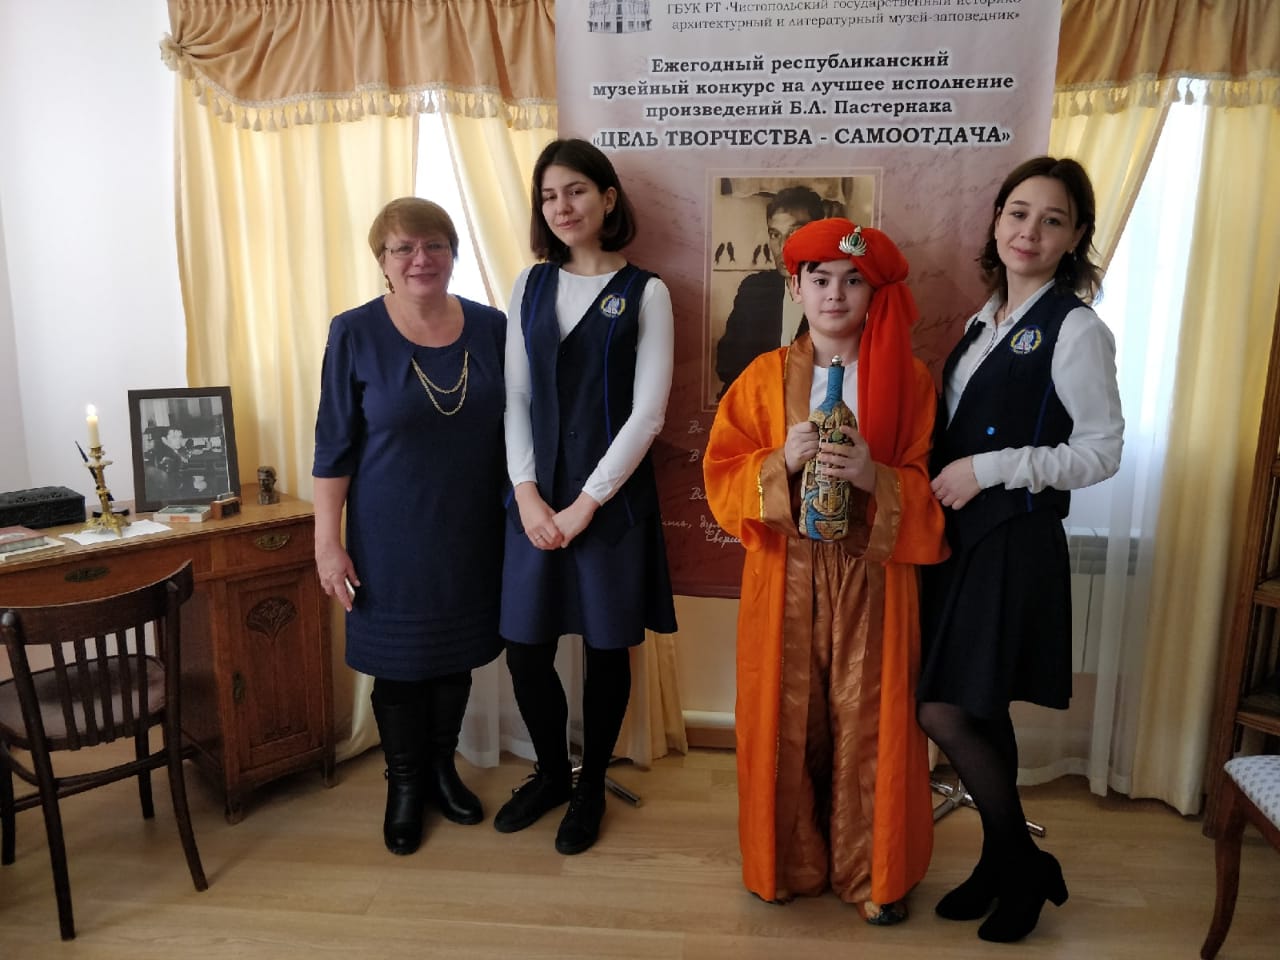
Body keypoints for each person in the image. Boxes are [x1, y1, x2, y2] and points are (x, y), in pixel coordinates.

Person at [702, 217, 948, 923]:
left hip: (874, 574)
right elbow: (720, 475)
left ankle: (874, 873)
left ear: (873, 293)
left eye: (853, 281)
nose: (835, 294)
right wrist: (778, 461)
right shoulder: (761, 380)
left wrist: (875, 477)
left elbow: (931, 489)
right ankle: (786, 862)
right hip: (785, 571)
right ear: (796, 288)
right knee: (786, 719)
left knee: (869, 720)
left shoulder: (910, 382)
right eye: (820, 279)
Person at [917, 156, 1124, 943]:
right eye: (1018, 212)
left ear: (1075, 238)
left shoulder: (1077, 327)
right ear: (997, 220)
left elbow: (1101, 452)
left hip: (1013, 540)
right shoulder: (984, 322)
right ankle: (1002, 864)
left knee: (944, 708)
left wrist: (992, 468)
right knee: (980, 707)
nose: (1030, 231)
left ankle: (1023, 866)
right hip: (963, 542)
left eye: (1053, 219)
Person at [496, 138, 678, 856]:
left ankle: (591, 783)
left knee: (607, 649)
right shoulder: (529, 285)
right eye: (548, 196)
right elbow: (515, 395)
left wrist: (586, 503)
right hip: (534, 499)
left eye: (575, 190)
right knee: (524, 647)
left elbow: (648, 416)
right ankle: (551, 772)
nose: (562, 206)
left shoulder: (648, 292)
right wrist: (527, 494)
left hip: (612, 507)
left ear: (607, 198)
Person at [312, 197, 508, 856]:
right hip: (387, 538)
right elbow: (333, 446)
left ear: (452, 253)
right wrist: (327, 542)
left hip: (471, 530)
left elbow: (519, 426)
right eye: (403, 248)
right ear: (383, 261)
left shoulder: (492, 328)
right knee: (398, 667)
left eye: (434, 245)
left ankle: (442, 771)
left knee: (454, 658)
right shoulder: (354, 332)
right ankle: (404, 785)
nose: (420, 258)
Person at [714, 185, 826, 397]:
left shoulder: (837, 295)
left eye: (794, 232)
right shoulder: (754, 289)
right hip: (755, 406)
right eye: (775, 234)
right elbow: (726, 365)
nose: (782, 246)